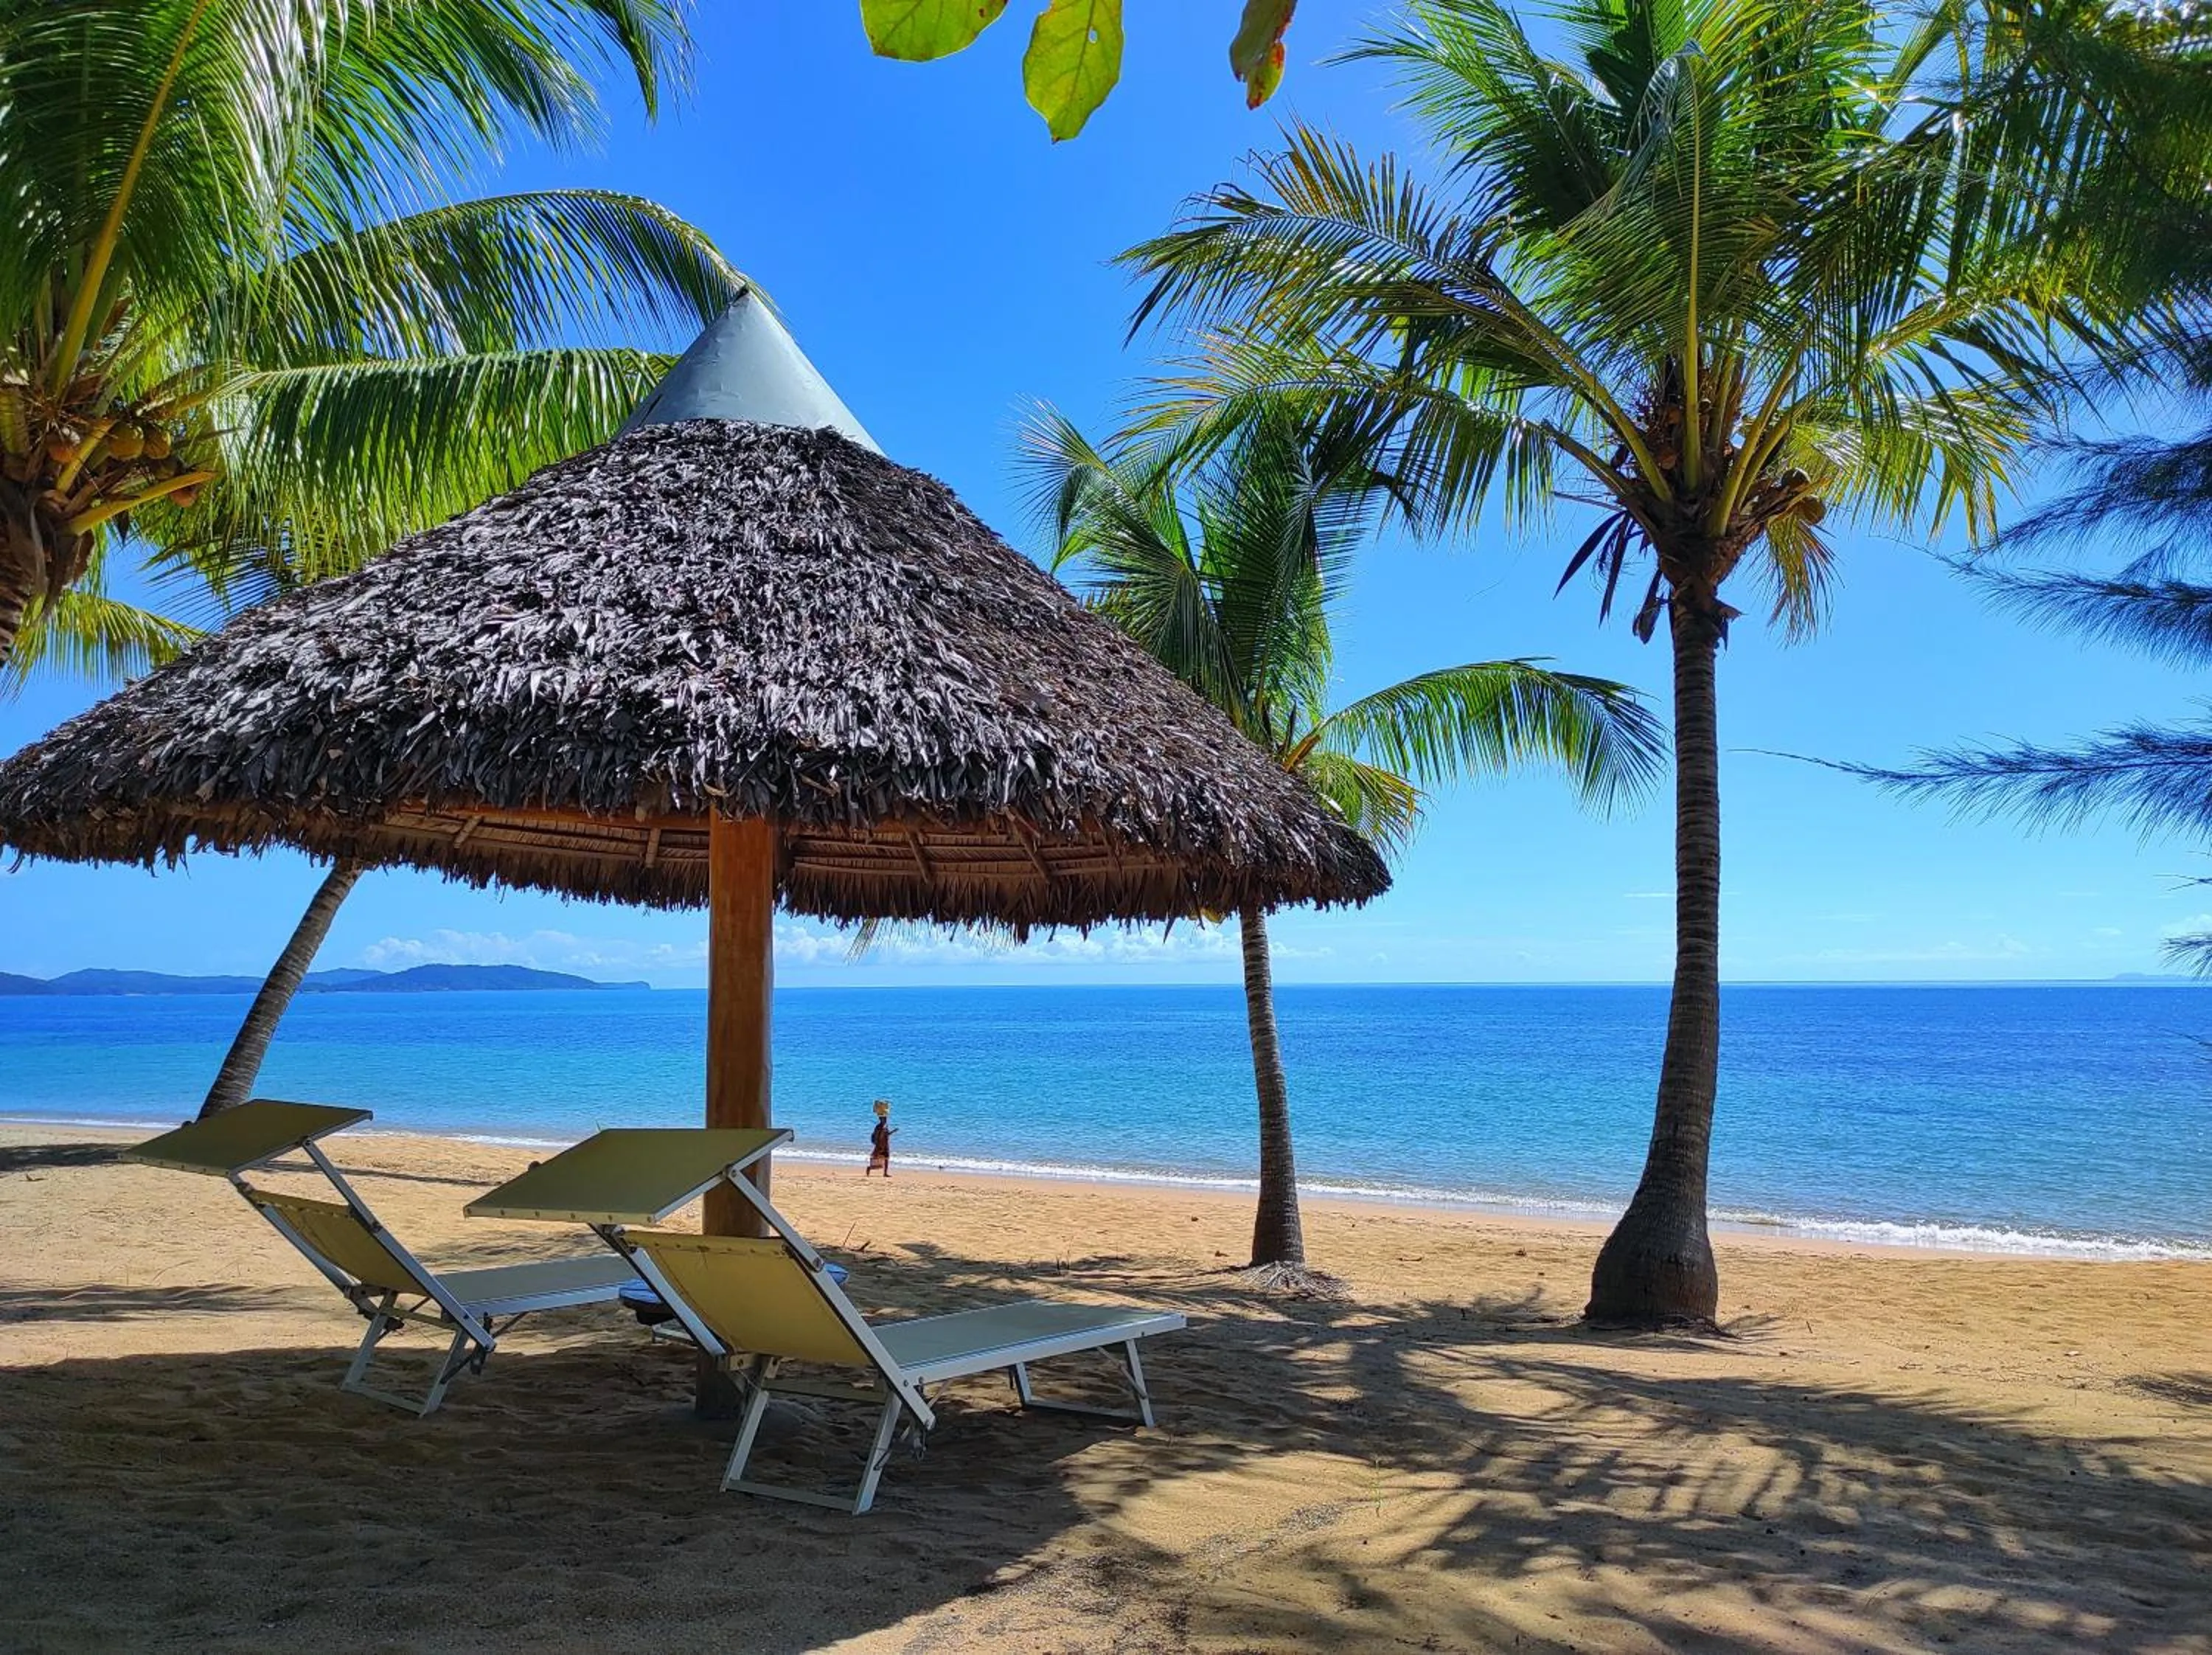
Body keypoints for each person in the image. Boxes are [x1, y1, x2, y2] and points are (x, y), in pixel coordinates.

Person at [866, 1098, 897, 1178]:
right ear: (881, 1119)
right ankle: (870, 1168)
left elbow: (887, 1135)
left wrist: (893, 1132)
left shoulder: (886, 1126)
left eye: (885, 1119)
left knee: (886, 1159)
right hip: (880, 1145)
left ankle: (885, 1173)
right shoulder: (878, 1127)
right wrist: (878, 1145)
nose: (885, 1120)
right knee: (877, 1160)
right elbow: (877, 1136)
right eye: (884, 1119)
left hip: (885, 1145)